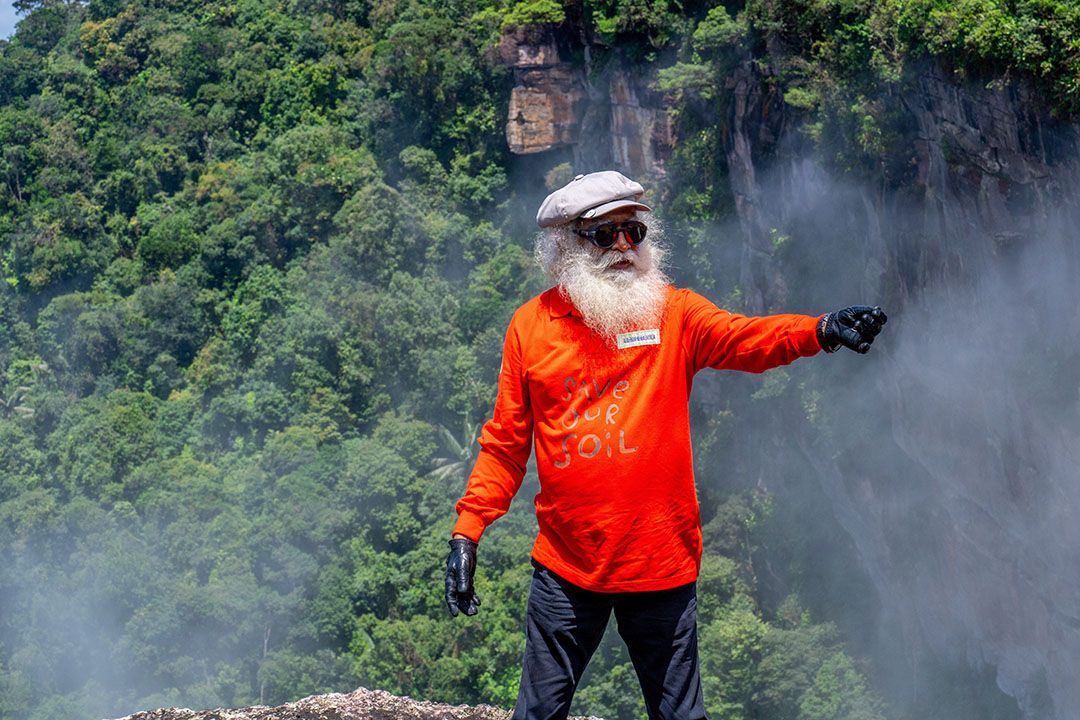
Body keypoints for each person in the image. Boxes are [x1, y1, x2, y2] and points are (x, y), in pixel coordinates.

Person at [444, 170, 886, 720]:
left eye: (635, 232)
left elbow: (745, 338)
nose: (626, 247)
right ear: (566, 246)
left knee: (680, 715)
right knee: (538, 713)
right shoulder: (531, 328)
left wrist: (819, 329)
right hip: (568, 567)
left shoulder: (672, 313)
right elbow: (506, 443)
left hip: (660, 564)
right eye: (607, 235)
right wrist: (468, 533)